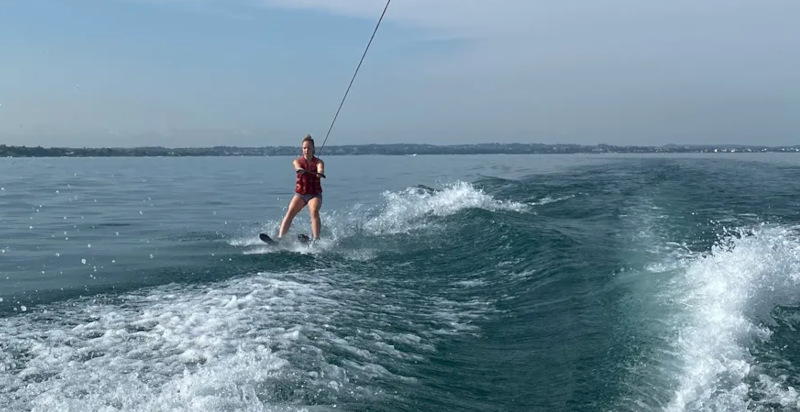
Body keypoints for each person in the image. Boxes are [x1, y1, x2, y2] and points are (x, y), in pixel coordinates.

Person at [278, 134, 326, 240]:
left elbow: (320, 168)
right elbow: (297, 166)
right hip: (301, 194)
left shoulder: (319, 162)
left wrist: (320, 173)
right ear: (302, 149)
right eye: (304, 148)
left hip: (314, 195)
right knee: (290, 212)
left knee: (313, 211)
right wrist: (299, 169)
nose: (306, 150)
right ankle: (280, 238)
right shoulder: (297, 161)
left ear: (313, 149)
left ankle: (316, 239)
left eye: (309, 148)